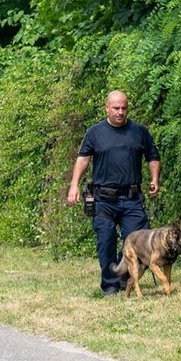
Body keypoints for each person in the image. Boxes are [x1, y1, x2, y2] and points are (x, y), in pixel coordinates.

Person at [67, 90, 161, 296]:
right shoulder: (94, 133)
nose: (120, 112)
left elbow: (153, 157)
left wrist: (155, 179)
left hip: (132, 198)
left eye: (124, 108)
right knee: (106, 239)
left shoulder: (139, 131)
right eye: (116, 108)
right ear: (107, 108)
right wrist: (74, 185)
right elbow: (83, 159)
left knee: (136, 241)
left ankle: (124, 279)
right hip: (103, 199)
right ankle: (109, 285)